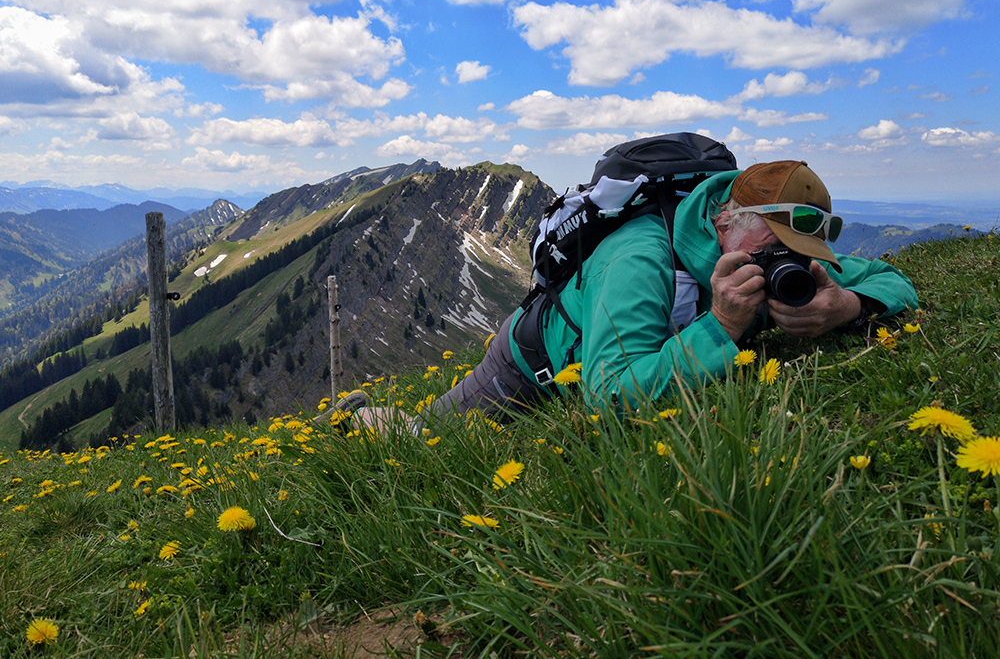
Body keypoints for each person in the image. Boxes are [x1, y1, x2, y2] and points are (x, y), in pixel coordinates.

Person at [328, 159, 917, 429]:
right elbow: (607, 398)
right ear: (725, 218)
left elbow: (893, 281)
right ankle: (363, 420)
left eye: (801, 250)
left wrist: (848, 305)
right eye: (776, 239)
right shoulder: (640, 257)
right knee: (427, 437)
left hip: (612, 356)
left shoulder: (779, 255)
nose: (785, 260)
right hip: (532, 362)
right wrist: (721, 327)